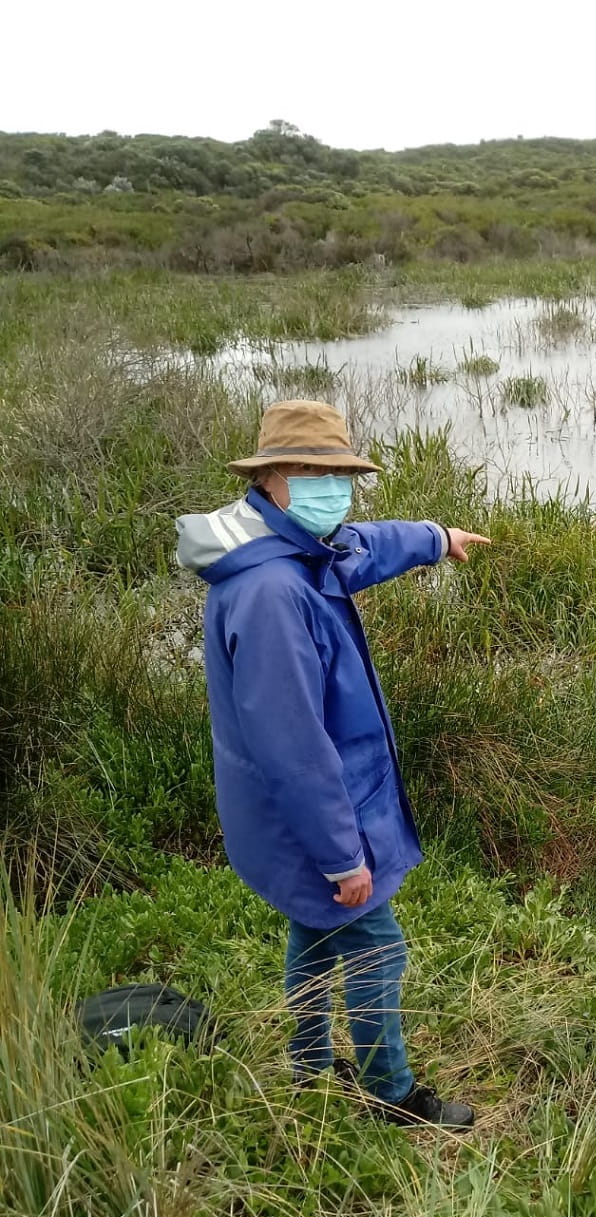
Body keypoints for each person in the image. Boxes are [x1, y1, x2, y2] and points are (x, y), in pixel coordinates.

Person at [176, 400, 489, 1128]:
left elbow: (362, 548)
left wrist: (435, 539)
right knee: (379, 946)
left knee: (314, 932)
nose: (335, 489)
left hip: (300, 814)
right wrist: (343, 857)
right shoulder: (270, 593)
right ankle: (392, 1093)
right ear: (275, 476)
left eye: (341, 474)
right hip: (304, 818)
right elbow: (292, 747)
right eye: (317, 472)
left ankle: (310, 1064)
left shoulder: (285, 547)